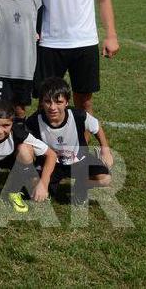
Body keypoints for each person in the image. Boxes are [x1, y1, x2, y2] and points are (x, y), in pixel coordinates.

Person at [24, 77, 114, 205]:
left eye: (58, 102)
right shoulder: (34, 121)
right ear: (41, 102)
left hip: (79, 160)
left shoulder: (78, 115)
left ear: (66, 102)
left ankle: (81, 185)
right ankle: (46, 185)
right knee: (34, 191)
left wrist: (105, 150)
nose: (52, 107)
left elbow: (97, 127)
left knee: (105, 179)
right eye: (47, 102)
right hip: (51, 164)